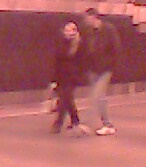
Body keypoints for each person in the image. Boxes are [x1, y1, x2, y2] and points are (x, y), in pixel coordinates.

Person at [81, 7, 122, 136]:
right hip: (93, 68)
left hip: (105, 69)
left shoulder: (109, 29)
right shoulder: (88, 32)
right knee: (101, 97)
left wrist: (111, 65)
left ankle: (86, 123)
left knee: (96, 95)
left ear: (93, 17)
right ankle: (108, 125)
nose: (85, 20)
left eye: (87, 17)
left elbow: (116, 48)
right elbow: (86, 49)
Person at [50, 21, 89, 135]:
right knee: (68, 99)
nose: (67, 33)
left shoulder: (80, 45)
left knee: (64, 98)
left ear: (75, 32)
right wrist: (54, 79)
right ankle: (75, 121)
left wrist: (79, 75)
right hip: (62, 75)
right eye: (66, 30)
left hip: (73, 76)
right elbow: (57, 62)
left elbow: (83, 62)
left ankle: (58, 123)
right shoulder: (60, 43)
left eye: (70, 30)